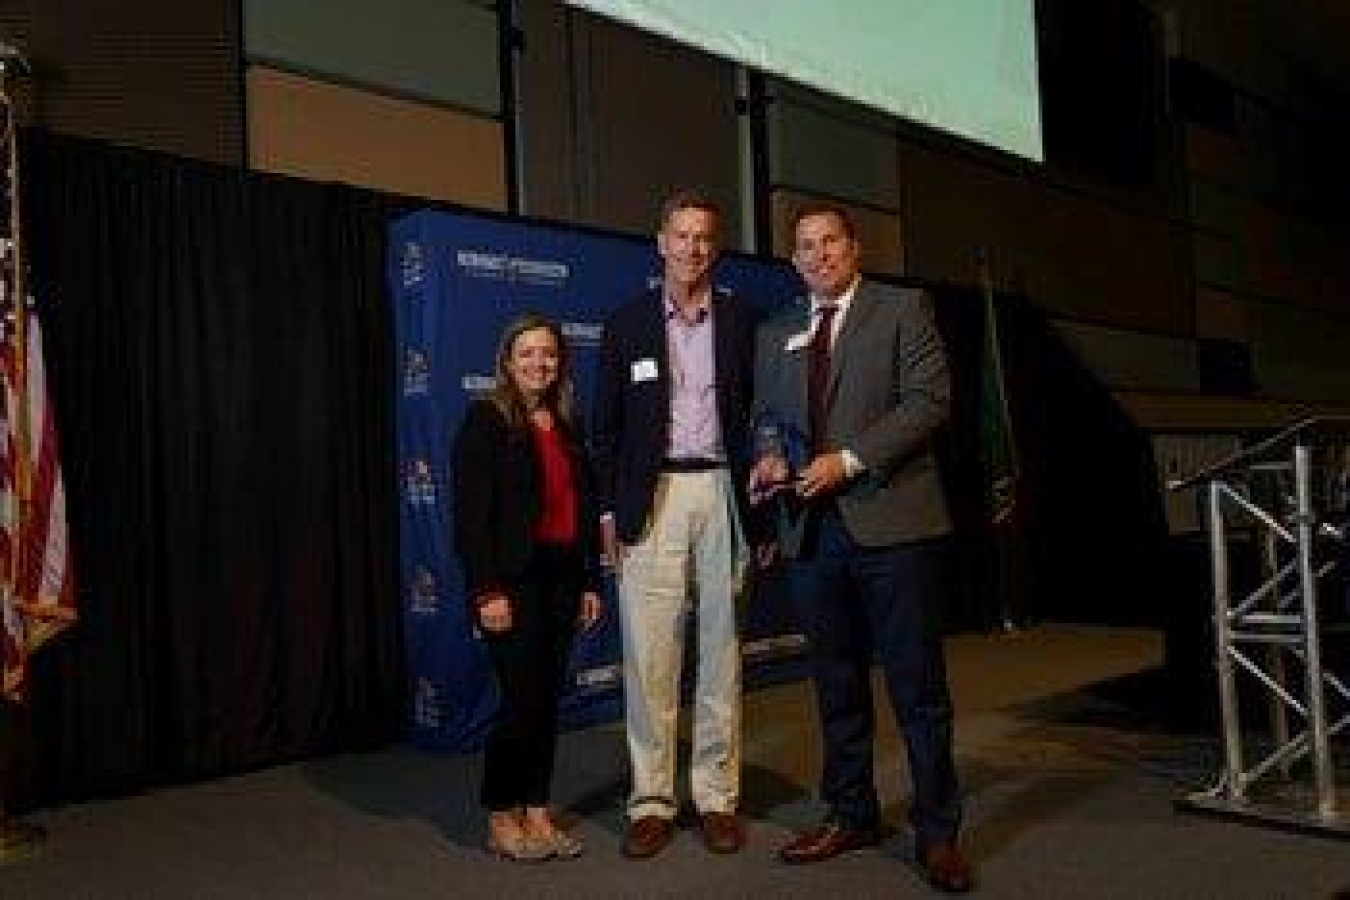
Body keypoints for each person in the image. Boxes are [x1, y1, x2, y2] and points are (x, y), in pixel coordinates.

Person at [749, 203, 973, 893]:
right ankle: (852, 813)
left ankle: (939, 833)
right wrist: (765, 458)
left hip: (892, 526)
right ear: (794, 260)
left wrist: (846, 461)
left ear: (855, 247)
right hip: (810, 533)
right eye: (805, 248)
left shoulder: (904, 308)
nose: (818, 256)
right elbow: (765, 416)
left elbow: (930, 401)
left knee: (917, 688)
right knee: (836, 684)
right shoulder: (776, 330)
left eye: (829, 243)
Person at [592, 188, 757, 858]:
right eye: (680, 236)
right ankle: (652, 801)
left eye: (704, 237)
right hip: (649, 497)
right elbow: (603, 430)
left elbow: (762, 416)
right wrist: (607, 508)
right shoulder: (626, 322)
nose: (692, 248)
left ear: (714, 248)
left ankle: (717, 797)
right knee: (650, 659)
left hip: (722, 491)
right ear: (660, 243)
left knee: (721, 657)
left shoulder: (746, 320)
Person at [452, 313, 603, 862]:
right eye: (527, 354)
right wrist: (486, 591)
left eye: (549, 354)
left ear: (560, 363)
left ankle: (537, 811)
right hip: (511, 582)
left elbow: (580, 512)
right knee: (520, 702)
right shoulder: (485, 421)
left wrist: (589, 581)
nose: (539, 363)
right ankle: (500, 814)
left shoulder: (566, 427)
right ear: (508, 363)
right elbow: (471, 521)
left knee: (546, 703)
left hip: (563, 578)